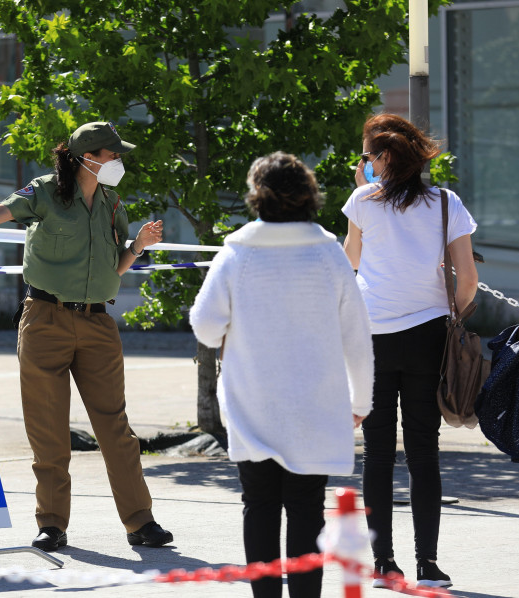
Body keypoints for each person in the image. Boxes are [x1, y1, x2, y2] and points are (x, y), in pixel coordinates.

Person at [0, 121, 173, 551]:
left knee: (116, 429)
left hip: (98, 324)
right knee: (48, 430)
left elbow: (115, 266)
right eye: (113, 154)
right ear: (89, 157)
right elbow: (0, 211)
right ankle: (52, 524)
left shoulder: (111, 201)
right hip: (45, 319)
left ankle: (140, 522)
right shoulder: (45, 191)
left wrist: (137, 246)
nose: (119, 161)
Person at [190, 151, 373, 598]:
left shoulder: (236, 253)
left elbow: (205, 326)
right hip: (316, 407)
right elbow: (357, 336)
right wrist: (360, 402)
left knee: (259, 506)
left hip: (254, 404)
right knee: (308, 510)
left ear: (257, 196)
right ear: (309, 194)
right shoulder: (329, 253)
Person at [342, 113, 478, 589]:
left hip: (373, 337)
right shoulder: (446, 202)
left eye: (368, 156)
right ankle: (429, 564)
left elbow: (350, 264)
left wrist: (363, 193)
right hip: (428, 337)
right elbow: (469, 282)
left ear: (383, 159)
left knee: (378, 453)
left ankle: (384, 564)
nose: (366, 164)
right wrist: (447, 316)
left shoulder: (362, 200)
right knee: (424, 452)